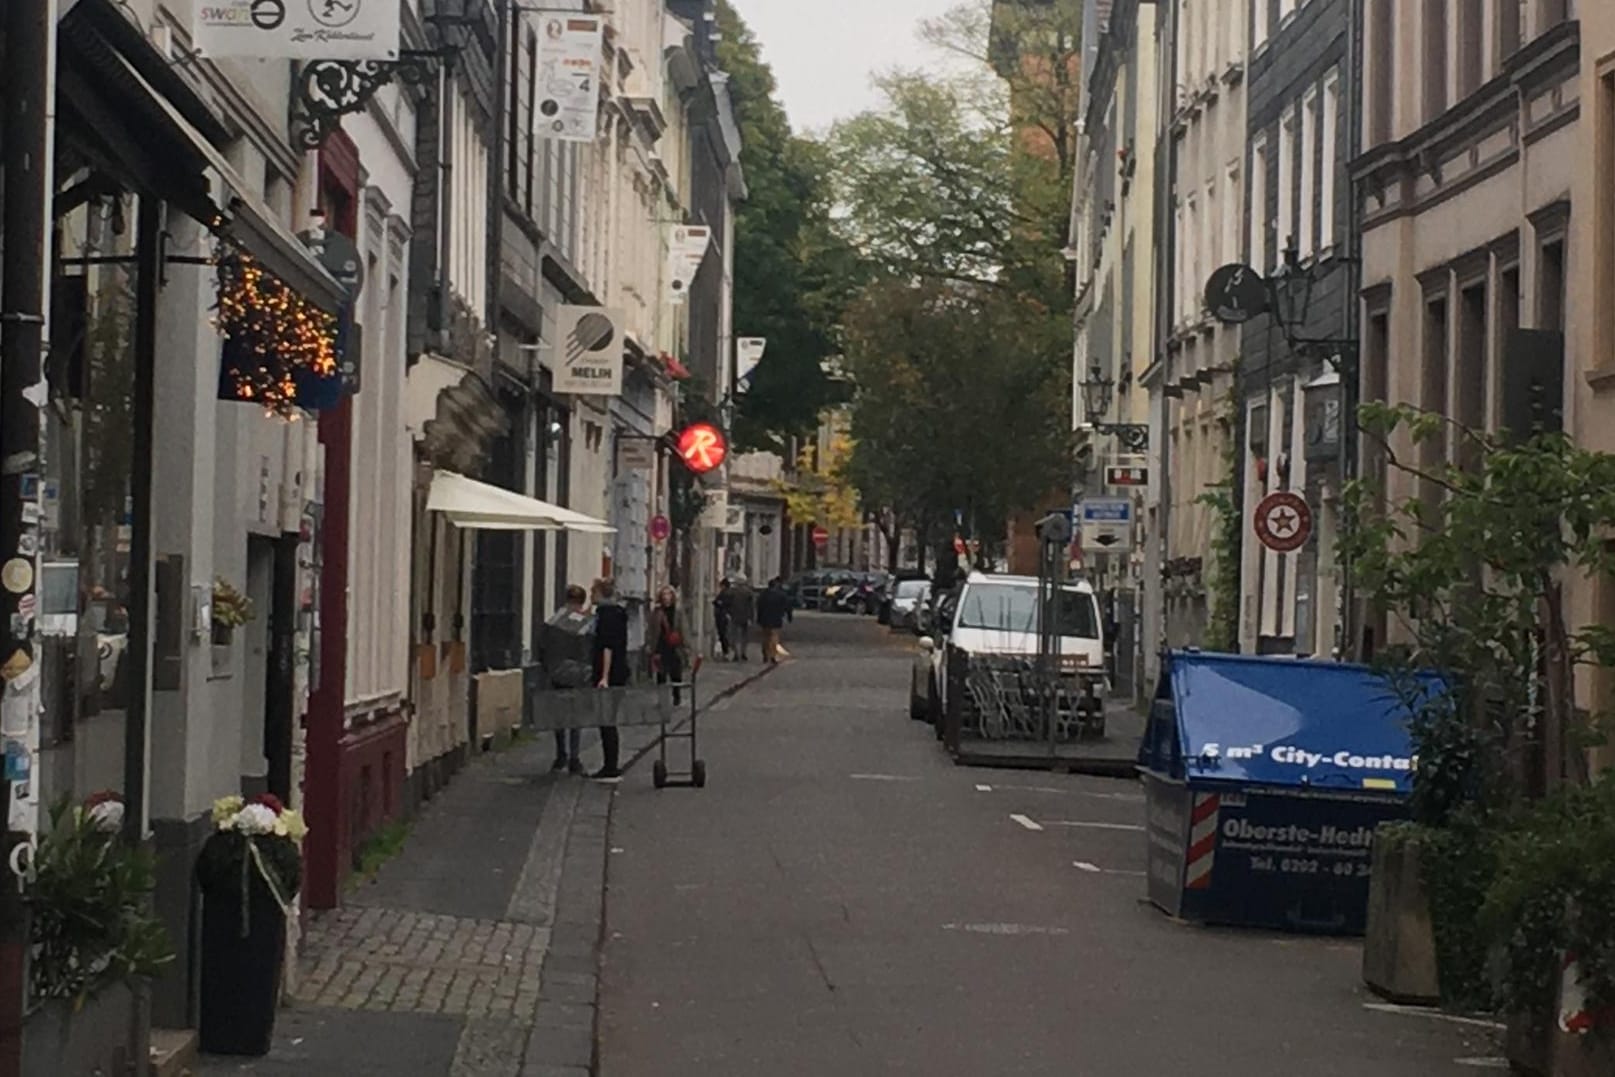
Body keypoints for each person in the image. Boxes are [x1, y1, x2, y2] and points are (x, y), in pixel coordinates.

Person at [539, 584, 594, 774]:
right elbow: (589, 648)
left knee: (559, 715)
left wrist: (547, 668)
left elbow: (542, 646)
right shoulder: (585, 622)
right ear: (581, 601)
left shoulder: (553, 620)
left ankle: (560, 754)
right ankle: (574, 758)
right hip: (577, 674)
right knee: (575, 717)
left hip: (556, 673)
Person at [590, 577, 630, 782]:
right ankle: (610, 764)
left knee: (606, 720)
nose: (591, 596)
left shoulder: (605, 615)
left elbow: (607, 647)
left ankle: (610, 766)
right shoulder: (619, 613)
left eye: (593, 592)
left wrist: (604, 676)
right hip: (620, 671)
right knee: (609, 719)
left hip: (609, 674)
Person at [648, 585, 691, 705]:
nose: (667, 597)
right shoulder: (656, 612)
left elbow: (684, 628)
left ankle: (676, 696)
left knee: (676, 674)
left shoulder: (677, 611)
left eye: (669, 594)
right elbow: (652, 630)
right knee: (661, 675)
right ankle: (662, 699)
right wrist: (650, 646)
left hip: (674, 647)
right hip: (661, 646)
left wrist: (686, 646)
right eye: (664, 595)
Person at [756, 576, 793, 664]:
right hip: (776, 618)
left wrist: (758, 617)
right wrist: (789, 616)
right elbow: (787, 606)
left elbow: (759, 607)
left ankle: (765, 653)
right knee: (774, 636)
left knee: (765, 637)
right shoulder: (781, 595)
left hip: (764, 619)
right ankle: (772, 654)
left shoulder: (763, 595)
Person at [730, 578, 756, 661]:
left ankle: (736, 653)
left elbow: (729, 605)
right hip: (745, 617)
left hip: (735, 616)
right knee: (744, 636)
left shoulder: (732, 593)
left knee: (734, 635)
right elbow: (751, 607)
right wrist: (751, 618)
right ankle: (743, 652)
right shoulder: (748, 593)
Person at [712, 579, 734, 659]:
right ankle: (726, 651)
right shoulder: (729, 593)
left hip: (722, 616)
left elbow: (717, 602)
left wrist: (717, 603)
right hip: (725, 615)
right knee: (724, 634)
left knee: (723, 634)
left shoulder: (724, 593)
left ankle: (726, 651)